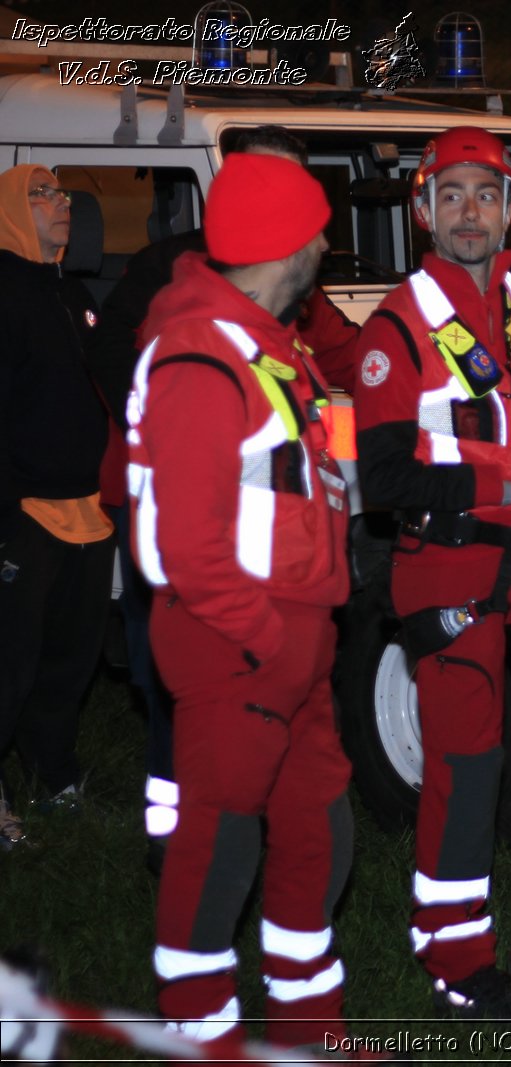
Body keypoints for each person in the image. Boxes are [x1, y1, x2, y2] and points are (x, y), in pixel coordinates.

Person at [352, 126, 511, 1016]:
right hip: (448, 568)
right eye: (449, 195)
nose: (468, 212)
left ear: (510, 208)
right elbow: (380, 478)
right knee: (468, 769)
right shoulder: (397, 323)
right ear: (422, 209)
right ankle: (455, 960)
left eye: (484, 194)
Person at [86, 125, 363, 874]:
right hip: (181, 518)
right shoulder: (172, 279)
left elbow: (347, 356)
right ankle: (174, 833)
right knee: (171, 687)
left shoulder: (295, 293)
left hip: (270, 543)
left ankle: (245, 841)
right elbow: (125, 369)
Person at [127, 153, 357, 1047]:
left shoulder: (266, 342)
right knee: (218, 850)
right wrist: (268, 636)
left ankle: (307, 1028)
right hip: (237, 639)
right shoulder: (199, 354)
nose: (330, 244)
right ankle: (199, 1035)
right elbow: (182, 544)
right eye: (321, 231)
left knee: (317, 840)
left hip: (289, 639)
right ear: (288, 244)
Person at [0, 163, 113, 849]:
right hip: (24, 513)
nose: (60, 203)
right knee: (9, 663)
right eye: (42, 194)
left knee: (70, 658)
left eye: (63, 193)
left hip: (87, 510)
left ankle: (52, 775)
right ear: (13, 209)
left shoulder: (71, 292)